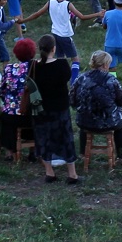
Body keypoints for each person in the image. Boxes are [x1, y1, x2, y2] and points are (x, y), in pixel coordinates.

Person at [30, 34, 81, 184]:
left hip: (41, 109)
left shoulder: (34, 66)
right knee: (65, 138)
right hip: (60, 107)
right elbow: (67, 79)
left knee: (43, 138)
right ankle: (72, 174)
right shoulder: (62, 64)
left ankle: (49, 172)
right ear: (54, 48)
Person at [71, 50, 122, 159]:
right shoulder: (111, 80)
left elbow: (72, 99)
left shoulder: (81, 78)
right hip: (109, 122)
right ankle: (121, 155)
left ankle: (83, 153)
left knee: (84, 117)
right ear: (106, 64)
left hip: (84, 121)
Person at [17, 0, 85, 60]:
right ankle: (74, 73)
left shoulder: (50, 3)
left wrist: (22, 21)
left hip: (55, 34)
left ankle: (59, 72)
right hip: (65, 35)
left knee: (59, 58)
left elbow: (37, 14)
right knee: (75, 59)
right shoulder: (68, 4)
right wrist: (97, 14)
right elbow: (82, 17)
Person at [0, 38, 38, 162]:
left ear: (16, 53)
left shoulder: (9, 68)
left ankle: (9, 153)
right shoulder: (37, 68)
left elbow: (2, 90)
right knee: (36, 118)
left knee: (6, 120)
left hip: (12, 113)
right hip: (31, 113)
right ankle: (33, 151)